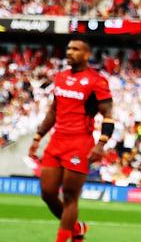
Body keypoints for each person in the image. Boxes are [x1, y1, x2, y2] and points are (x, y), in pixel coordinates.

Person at [28, 39, 114, 242]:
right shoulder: (61, 77)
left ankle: (64, 238)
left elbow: (108, 115)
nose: (70, 52)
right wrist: (38, 137)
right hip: (56, 141)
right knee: (47, 193)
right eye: (68, 49)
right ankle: (76, 228)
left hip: (79, 143)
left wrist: (100, 144)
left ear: (86, 55)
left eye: (75, 49)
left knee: (69, 196)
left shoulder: (96, 81)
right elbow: (53, 110)